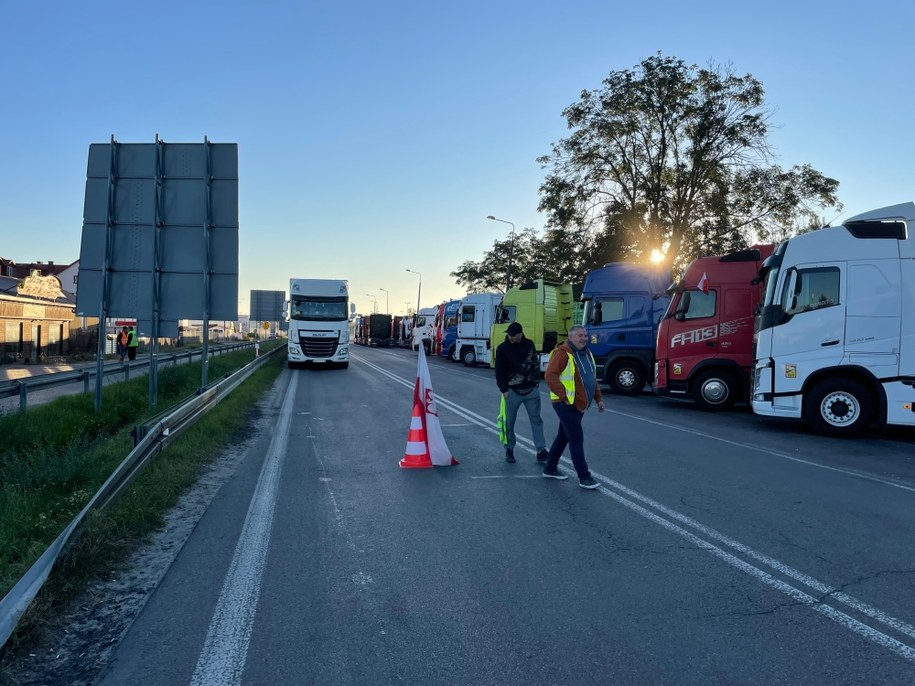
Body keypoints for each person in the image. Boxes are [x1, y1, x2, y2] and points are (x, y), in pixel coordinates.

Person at [542, 325, 605, 489]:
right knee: (576, 438)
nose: (584, 338)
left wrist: (599, 398)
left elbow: (591, 377)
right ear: (570, 338)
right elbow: (550, 376)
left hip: (578, 404)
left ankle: (550, 468)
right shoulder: (563, 354)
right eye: (580, 336)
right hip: (565, 404)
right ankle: (584, 477)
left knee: (563, 436)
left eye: (585, 335)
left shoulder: (587, 353)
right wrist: (564, 397)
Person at [494, 321, 549, 464]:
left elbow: (535, 364)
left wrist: (536, 383)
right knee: (509, 423)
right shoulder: (502, 348)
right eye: (509, 335)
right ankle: (509, 449)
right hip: (512, 391)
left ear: (520, 334)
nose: (511, 337)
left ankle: (541, 450)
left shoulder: (529, 345)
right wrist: (504, 390)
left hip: (531, 390)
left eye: (513, 335)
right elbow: (499, 371)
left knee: (536, 420)